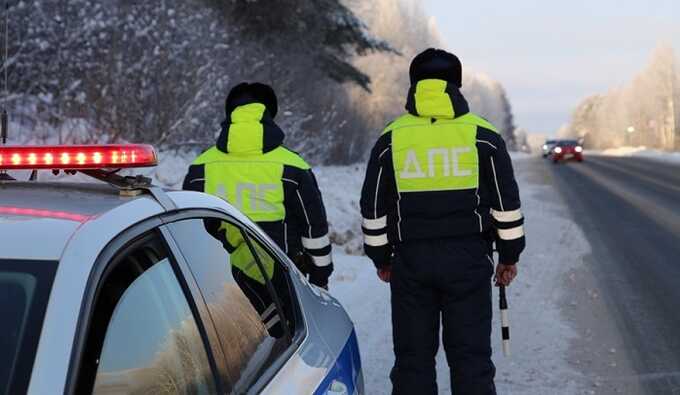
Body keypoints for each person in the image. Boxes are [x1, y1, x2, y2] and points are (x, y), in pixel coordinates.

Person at [360, 48, 525, 395]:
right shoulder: (484, 137)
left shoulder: (391, 139)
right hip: (468, 262)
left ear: (414, 84)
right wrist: (508, 256)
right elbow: (506, 206)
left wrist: (382, 259)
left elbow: (373, 208)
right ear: (457, 85)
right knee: (471, 361)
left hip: (411, 264)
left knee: (413, 362)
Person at [183, 82, 333, 311]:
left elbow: (186, 231)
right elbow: (314, 229)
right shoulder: (292, 166)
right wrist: (320, 278)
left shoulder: (201, 167)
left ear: (229, 114)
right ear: (270, 116)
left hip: (215, 296)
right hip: (284, 290)